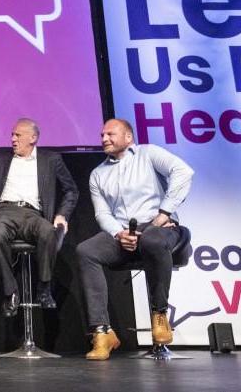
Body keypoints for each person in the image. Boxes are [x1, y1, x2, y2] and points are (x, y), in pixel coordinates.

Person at [77, 118, 194, 360]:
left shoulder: (147, 154)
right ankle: (102, 332)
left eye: (111, 134)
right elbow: (102, 213)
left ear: (128, 137)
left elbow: (183, 172)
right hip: (124, 233)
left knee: (151, 239)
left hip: (160, 228)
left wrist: (164, 213)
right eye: (102, 135)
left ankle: (159, 314)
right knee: (85, 251)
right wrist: (118, 234)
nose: (104, 139)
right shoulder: (97, 174)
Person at [0, 118, 78, 316]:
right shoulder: (1, 160)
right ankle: (11, 291)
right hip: (5, 211)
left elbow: (71, 190)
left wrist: (61, 214)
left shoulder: (51, 159)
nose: (13, 139)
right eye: (12, 135)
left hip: (34, 213)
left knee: (49, 231)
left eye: (18, 135)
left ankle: (44, 287)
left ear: (33, 138)